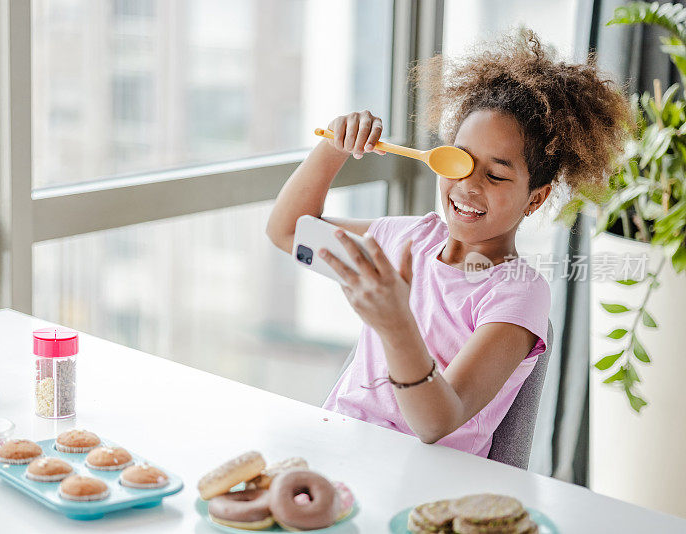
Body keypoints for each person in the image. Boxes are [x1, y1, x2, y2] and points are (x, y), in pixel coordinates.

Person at [265, 28, 631, 458]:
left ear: (536, 197)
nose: (468, 186)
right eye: (460, 161)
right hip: (337, 453)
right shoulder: (407, 238)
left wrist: (395, 324)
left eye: (495, 175)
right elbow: (289, 232)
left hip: (425, 486)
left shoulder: (516, 293)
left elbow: (436, 422)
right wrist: (333, 148)